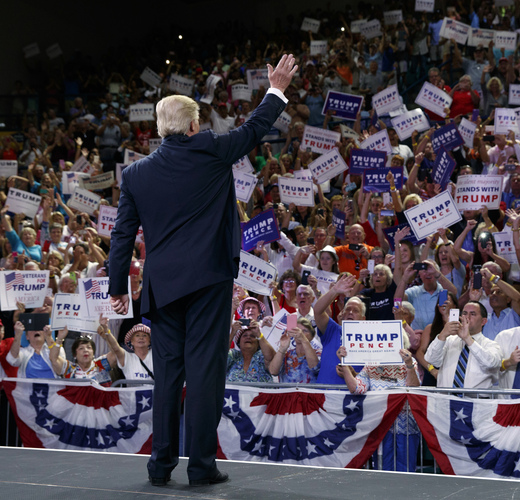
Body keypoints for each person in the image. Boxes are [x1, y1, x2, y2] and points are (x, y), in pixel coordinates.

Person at [107, 54, 297, 486]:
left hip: (162, 287)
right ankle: (201, 467)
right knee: (206, 373)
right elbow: (253, 130)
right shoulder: (211, 150)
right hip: (209, 281)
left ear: (160, 129)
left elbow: (122, 235)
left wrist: (119, 286)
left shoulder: (136, 174)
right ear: (193, 126)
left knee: (168, 375)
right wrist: (276, 88)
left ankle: (159, 466)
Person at [336, 335, 420, 472]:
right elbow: (357, 388)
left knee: (406, 471)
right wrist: (344, 363)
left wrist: (409, 363)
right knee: (383, 470)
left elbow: (413, 387)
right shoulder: (371, 365)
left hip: (406, 427)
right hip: (381, 427)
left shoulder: (409, 362)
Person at [424, 301, 503, 392]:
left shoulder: (491, 345)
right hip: (446, 400)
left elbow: (491, 364)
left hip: (476, 402)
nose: (467, 317)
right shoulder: (449, 340)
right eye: (464, 313)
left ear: (483, 321)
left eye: (472, 314)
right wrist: (442, 335)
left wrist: (468, 339)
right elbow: (431, 360)